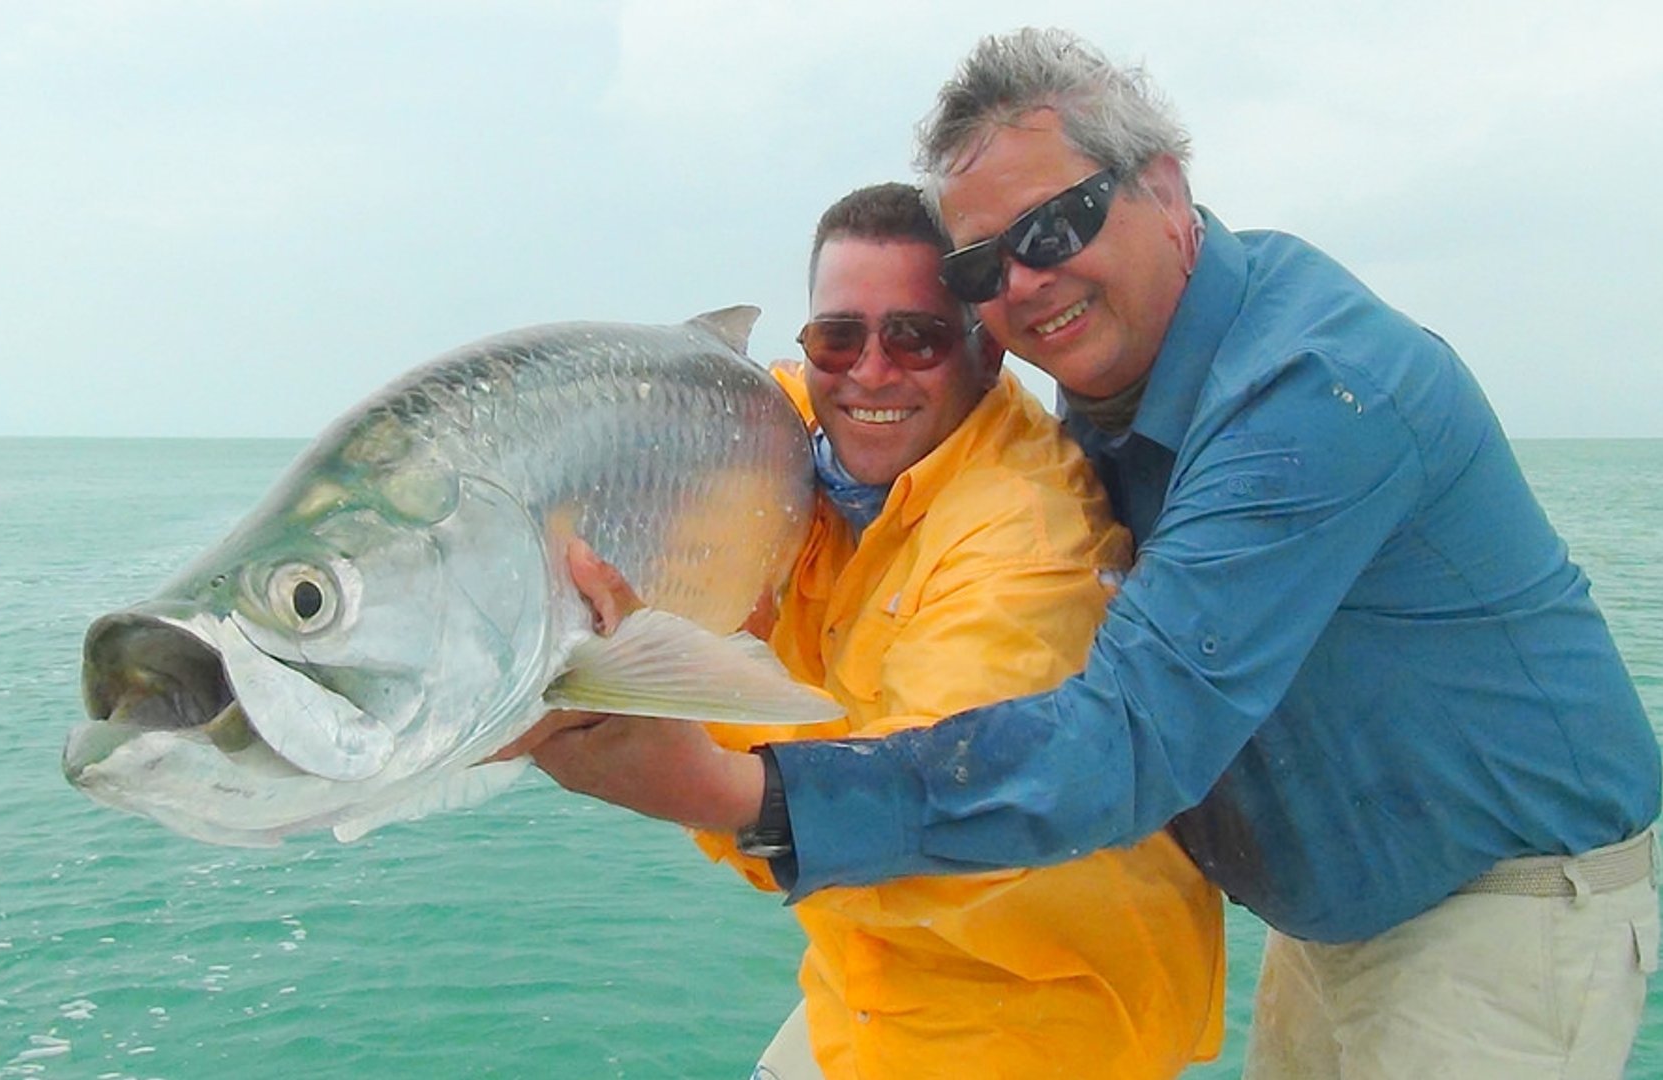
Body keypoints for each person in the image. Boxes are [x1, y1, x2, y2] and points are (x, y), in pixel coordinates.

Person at [513, 29, 1663, 1080]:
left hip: (1501, 903)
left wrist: (745, 794)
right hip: (1342, 905)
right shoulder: (1112, 366)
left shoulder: (1314, 394)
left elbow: (1128, 741)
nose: (1024, 283)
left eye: (1054, 229)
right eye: (980, 268)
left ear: (1168, 188)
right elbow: (822, 404)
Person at [518, 182, 1224, 1079]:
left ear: (985, 352)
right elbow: (671, 423)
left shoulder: (1022, 541)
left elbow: (924, 836)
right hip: (867, 990)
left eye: (916, 337)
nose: (871, 373)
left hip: (1030, 1024)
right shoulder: (822, 444)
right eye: (838, 337)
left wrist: (687, 759)